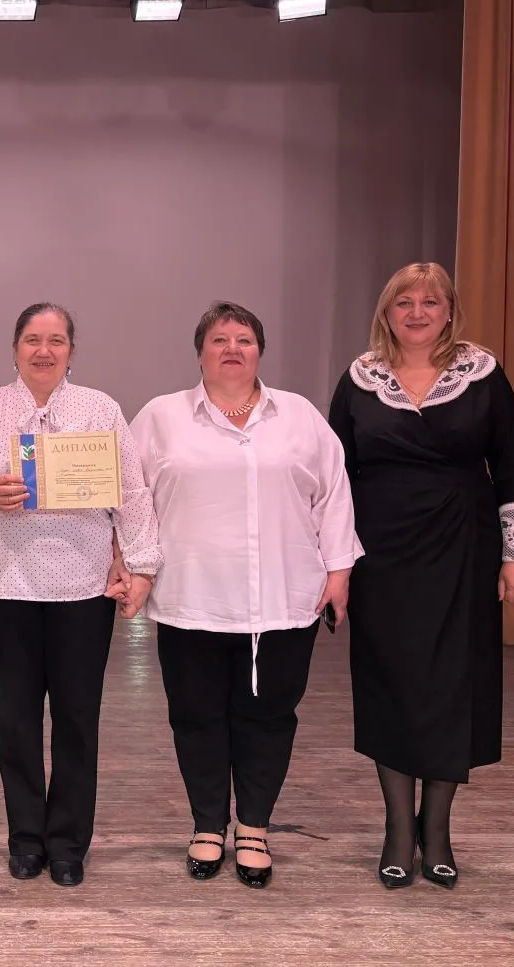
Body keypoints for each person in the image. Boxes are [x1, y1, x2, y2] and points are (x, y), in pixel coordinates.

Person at [129, 301, 362, 888]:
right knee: (196, 717)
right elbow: (131, 500)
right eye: (219, 339)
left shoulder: (300, 416)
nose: (232, 348)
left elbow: (334, 494)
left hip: (282, 599)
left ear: (260, 351)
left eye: (244, 340)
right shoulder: (161, 417)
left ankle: (254, 826)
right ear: (200, 353)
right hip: (191, 597)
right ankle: (208, 824)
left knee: (269, 717)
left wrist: (338, 571)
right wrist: (132, 566)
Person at [329, 262, 514, 890]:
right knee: (390, 681)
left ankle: (438, 829)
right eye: (404, 303)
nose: (416, 313)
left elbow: (512, 464)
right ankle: (399, 828)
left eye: (430, 302)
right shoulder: (360, 378)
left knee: (454, 683)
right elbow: (334, 479)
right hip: (382, 554)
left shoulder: (483, 373)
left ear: (449, 311)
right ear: (386, 312)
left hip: (463, 547)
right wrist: (333, 561)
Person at [0, 302, 161, 887]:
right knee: (15, 719)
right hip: (3, 586)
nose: (44, 350)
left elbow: (132, 492)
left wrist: (141, 566)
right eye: (33, 340)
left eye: (56, 340)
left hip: (83, 587)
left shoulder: (100, 409)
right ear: (15, 349)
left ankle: (68, 843)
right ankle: (26, 839)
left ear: (71, 351)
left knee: (77, 718)